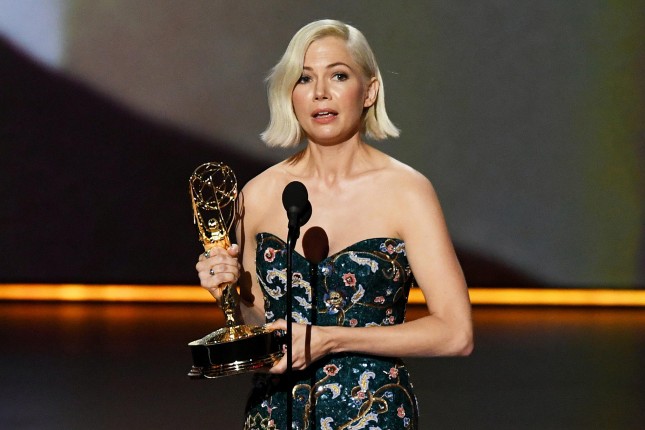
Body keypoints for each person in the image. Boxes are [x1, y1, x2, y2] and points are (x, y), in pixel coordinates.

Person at [196, 19, 473, 430]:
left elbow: (455, 333)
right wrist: (227, 295)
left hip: (372, 414)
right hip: (276, 413)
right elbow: (261, 326)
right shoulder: (258, 195)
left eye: (338, 75)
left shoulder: (407, 192)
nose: (320, 92)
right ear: (290, 94)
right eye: (304, 78)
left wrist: (332, 339)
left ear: (370, 91)